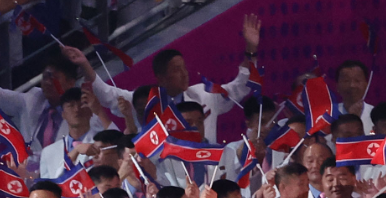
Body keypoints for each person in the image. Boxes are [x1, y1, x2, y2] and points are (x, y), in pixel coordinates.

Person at [85, 16, 261, 143]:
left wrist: (251, 50)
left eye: (184, 67)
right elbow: (107, 94)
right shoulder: (146, 100)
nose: (185, 74)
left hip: (206, 175)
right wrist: (85, 65)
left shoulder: (204, 95)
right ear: (161, 78)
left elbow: (240, 86)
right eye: (177, 70)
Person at [334, 61, 373, 128]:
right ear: (337, 86)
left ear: (366, 85)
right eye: (346, 81)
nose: (352, 85)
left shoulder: (375, 114)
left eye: (357, 80)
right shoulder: (327, 115)